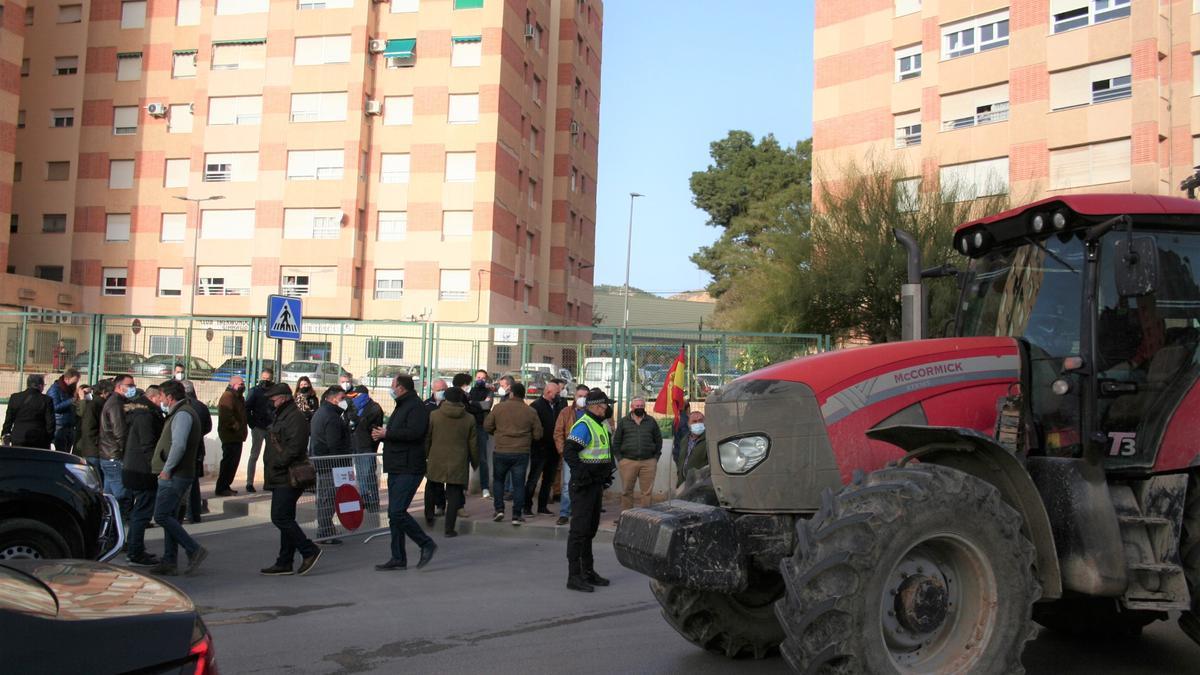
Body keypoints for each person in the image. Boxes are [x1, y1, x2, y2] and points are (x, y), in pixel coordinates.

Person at [370, 375, 436, 571]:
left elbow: (415, 433)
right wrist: (384, 434)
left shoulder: (415, 406)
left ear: (401, 388)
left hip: (409, 467)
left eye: (393, 386)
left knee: (397, 512)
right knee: (394, 515)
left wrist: (387, 434)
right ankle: (398, 557)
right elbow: (401, 431)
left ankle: (426, 543)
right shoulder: (403, 405)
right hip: (397, 465)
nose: (391, 389)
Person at [260, 382, 323, 576]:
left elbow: (295, 447)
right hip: (281, 475)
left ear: (284, 398)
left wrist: (278, 463)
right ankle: (284, 561)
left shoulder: (294, 418)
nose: (272, 402)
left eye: (274, 399)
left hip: (288, 475)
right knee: (286, 517)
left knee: (280, 517)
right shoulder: (283, 415)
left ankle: (309, 550)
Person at [149, 380, 209, 577]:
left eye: (162, 396)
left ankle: (193, 549)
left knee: (161, 515)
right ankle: (169, 560)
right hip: (178, 473)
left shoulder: (183, 414)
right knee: (171, 517)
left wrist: (167, 470)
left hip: (176, 475)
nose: (161, 400)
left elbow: (179, 445)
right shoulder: (180, 412)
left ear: (169, 396)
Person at [562, 388, 617, 592]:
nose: (608, 409)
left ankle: (588, 571)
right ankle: (574, 576)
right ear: (596, 407)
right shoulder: (584, 425)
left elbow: (602, 454)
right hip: (584, 486)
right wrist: (583, 474)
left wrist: (605, 474)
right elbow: (569, 452)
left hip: (595, 485)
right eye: (606, 405)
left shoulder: (600, 424)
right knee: (579, 531)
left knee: (590, 530)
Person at [483, 381, 541, 525]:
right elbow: (538, 434)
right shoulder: (530, 411)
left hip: (501, 450)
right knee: (519, 484)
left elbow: (487, 426)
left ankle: (499, 510)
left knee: (498, 481)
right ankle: (516, 515)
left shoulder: (498, 408)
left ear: (512, 393)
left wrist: (498, 434)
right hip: (521, 452)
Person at [424, 387, 477, 537]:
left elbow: (427, 437)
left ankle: (429, 517)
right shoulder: (469, 418)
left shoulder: (434, 415)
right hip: (458, 460)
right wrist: (475, 461)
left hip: (436, 457)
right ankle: (449, 529)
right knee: (454, 493)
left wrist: (426, 455)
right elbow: (473, 443)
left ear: (445, 397)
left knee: (431, 486)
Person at [122, 385, 165, 567]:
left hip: (133, 468)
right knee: (142, 513)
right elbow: (148, 446)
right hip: (143, 471)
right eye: (161, 398)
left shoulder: (137, 414)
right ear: (154, 398)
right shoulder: (146, 417)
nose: (163, 402)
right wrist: (157, 468)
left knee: (139, 512)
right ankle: (135, 552)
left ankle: (134, 548)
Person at [310, 385, 351, 543]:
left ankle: (326, 529)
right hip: (332, 463)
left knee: (326, 497)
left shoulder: (323, 412)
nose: (344, 401)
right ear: (333, 399)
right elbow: (334, 443)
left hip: (325, 461)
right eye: (342, 398)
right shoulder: (331, 416)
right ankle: (325, 532)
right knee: (329, 498)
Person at [612, 397, 663, 519]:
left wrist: (655, 457)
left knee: (647, 493)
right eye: (637, 406)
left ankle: (646, 517)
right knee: (626, 491)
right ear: (631, 407)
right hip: (628, 462)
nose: (639, 407)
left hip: (648, 462)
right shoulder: (624, 422)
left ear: (644, 406)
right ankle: (627, 516)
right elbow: (617, 441)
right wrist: (620, 459)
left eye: (641, 405)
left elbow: (658, 440)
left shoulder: (651, 421)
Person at [99, 374, 136, 517]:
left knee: (109, 498)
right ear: (119, 387)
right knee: (122, 497)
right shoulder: (115, 404)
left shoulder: (119, 402)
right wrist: (125, 453)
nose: (133, 388)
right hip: (114, 456)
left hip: (108, 455)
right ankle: (122, 532)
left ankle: (108, 530)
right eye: (130, 386)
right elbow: (120, 432)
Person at [553, 384, 591, 525]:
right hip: (570, 455)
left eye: (585, 397)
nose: (582, 399)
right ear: (575, 396)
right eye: (580, 396)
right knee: (567, 485)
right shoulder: (566, 412)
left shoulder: (592, 413)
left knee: (585, 485)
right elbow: (558, 432)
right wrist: (563, 451)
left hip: (588, 455)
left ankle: (580, 513)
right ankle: (564, 513)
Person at [527, 379, 564, 516]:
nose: (559, 395)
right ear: (548, 392)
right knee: (533, 479)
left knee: (548, 480)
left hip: (553, 450)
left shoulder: (558, 405)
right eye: (557, 393)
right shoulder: (536, 406)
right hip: (539, 449)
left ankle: (542, 507)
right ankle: (527, 506)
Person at [180, 380, 211, 524]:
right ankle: (195, 513)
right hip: (198, 447)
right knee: (194, 482)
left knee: (185, 482)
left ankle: (188, 513)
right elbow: (208, 427)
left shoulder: (182, 407)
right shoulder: (201, 406)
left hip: (185, 448)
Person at [349, 385, 383, 511]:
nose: (353, 399)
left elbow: (369, 425)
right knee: (361, 475)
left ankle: (373, 501)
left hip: (368, 446)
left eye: (356, 396)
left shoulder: (374, 408)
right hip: (356, 446)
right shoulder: (354, 408)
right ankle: (364, 499)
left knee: (368, 475)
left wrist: (355, 418)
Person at [215, 375, 248, 496]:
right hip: (230, 435)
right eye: (240, 384)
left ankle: (226, 485)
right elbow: (226, 416)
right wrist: (236, 426)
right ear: (233, 384)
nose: (243, 386)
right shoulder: (228, 397)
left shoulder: (238, 397)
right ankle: (222, 487)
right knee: (228, 462)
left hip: (237, 436)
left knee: (233, 462)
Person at [244, 368, 276, 493]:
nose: (265, 381)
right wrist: (252, 424)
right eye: (264, 378)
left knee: (269, 456)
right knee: (254, 455)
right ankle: (249, 482)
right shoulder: (255, 391)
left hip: (271, 427)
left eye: (268, 379)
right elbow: (247, 408)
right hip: (258, 427)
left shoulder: (274, 391)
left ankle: (268, 482)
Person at [2, 374, 55, 448]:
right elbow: (50, 424)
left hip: (18, 438)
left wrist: (5, 434)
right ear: (40, 386)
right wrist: (48, 439)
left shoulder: (15, 398)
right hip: (39, 440)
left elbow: (9, 420)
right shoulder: (46, 400)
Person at [74, 379, 111, 478]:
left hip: (96, 448)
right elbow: (88, 428)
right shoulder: (92, 405)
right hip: (92, 448)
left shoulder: (99, 404)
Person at [423, 378, 449, 517]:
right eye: (439, 390)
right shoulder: (426, 405)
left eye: (444, 389)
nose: (442, 392)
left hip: (447, 445)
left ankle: (450, 505)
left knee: (449, 479)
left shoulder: (450, 404)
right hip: (432, 447)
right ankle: (437, 505)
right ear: (433, 390)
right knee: (434, 479)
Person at [467, 369, 494, 499]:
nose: (480, 380)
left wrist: (473, 403)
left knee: (482, 459)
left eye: (482, 378)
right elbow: (467, 406)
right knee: (465, 458)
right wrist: (477, 405)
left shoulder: (489, 391)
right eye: (478, 377)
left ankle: (485, 488)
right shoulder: (470, 391)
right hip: (469, 427)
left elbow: (487, 405)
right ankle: (463, 487)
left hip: (481, 427)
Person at [48, 368, 81, 453]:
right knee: (61, 453)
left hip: (69, 427)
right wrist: (72, 400)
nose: (75, 384)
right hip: (59, 426)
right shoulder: (55, 389)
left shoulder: (70, 390)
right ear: (67, 379)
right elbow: (54, 407)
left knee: (67, 452)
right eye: (74, 382)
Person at [677, 410, 707, 486]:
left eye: (700, 421)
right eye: (694, 421)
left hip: (700, 484)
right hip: (683, 483)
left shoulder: (709, 440)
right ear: (688, 424)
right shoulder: (684, 440)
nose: (698, 423)